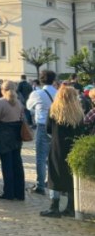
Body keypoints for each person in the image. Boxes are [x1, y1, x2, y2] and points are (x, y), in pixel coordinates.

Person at [40, 84, 86, 218]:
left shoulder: (54, 110)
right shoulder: (78, 112)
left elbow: (48, 129)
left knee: (54, 175)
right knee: (71, 175)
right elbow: (82, 129)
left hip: (57, 147)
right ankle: (71, 207)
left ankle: (54, 206)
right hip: (74, 147)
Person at [0, 81, 26, 201]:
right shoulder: (19, 102)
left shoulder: (1, 102)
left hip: (5, 133)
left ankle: (9, 192)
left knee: (7, 164)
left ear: (2, 90)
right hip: (17, 133)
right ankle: (20, 192)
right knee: (17, 163)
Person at [26, 70, 58, 194]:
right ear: (53, 80)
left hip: (43, 125)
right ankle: (52, 182)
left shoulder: (37, 93)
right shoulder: (57, 93)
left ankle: (40, 185)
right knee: (53, 156)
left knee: (40, 156)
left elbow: (29, 106)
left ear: (40, 79)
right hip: (55, 126)